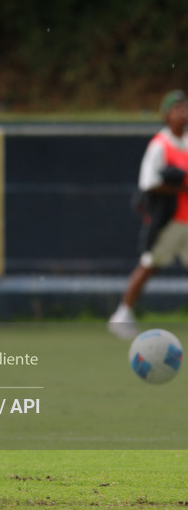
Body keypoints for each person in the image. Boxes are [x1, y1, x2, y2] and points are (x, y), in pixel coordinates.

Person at [108, 89, 188, 339]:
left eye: (185, 108)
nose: (182, 113)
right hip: (170, 221)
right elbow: (148, 183)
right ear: (166, 114)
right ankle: (122, 314)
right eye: (177, 109)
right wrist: (181, 184)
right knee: (150, 265)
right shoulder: (159, 145)